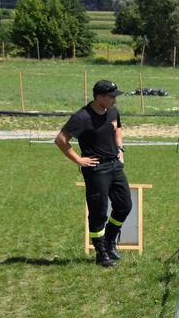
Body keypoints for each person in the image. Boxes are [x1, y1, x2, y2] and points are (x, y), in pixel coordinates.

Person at [55, 79, 131, 268]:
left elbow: (118, 127)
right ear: (99, 97)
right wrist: (79, 160)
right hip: (96, 169)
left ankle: (110, 240)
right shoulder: (82, 117)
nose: (115, 100)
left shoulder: (112, 110)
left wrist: (120, 149)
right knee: (98, 212)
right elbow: (60, 139)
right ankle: (101, 254)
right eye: (111, 97)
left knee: (124, 205)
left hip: (115, 165)